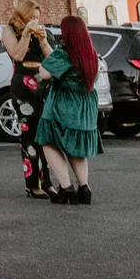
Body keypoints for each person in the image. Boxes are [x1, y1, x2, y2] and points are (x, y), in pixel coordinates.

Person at [35, 15, 102, 205]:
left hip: (64, 104)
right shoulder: (90, 53)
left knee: (48, 142)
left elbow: (46, 72)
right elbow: (60, 64)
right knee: (76, 147)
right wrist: (46, 46)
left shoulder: (65, 53)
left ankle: (66, 188)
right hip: (86, 106)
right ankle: (84, 188)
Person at [2, 0, 54, 197]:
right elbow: (17, 55)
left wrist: (43, 41)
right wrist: (26, 34)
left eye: (38, 17)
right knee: (29, 133)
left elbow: (52, 58)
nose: (35, 20)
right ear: (23, 16)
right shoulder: (10, 31)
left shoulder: (43, 32)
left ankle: (47, 181)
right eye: (32, 17)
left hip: (43, 83)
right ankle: (33, 184)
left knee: (46, 133)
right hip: (24, 85)